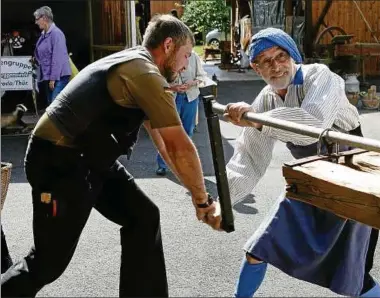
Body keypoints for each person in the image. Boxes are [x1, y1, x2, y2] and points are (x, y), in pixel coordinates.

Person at [1, 14, 221, 297]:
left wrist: (198, 198)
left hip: (91, 159)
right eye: (186, 55)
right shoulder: (145, 73)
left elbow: (165, 147)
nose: (184, 66)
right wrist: (203, 200)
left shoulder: (137, 65)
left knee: (143, 217)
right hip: (59, 161)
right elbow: (179, 145)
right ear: (168, 45)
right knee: (46, 264)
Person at [223, 28, 380, 297]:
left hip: (352, 176)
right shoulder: (266, 99)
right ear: (256, 67)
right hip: (309, 179)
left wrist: (257, 119)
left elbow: (311, 123)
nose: (276, 66)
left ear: (293, 56)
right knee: (258, 247)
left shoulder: (320, 77)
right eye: (266, 60)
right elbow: (249, 157)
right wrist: (220, 204)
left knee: (353, 274)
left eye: (281, 56)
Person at [156, 50, 208, 175]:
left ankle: (183, 164)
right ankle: (163, 164)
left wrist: (192, 83)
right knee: (169, 131)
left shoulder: (194, 56)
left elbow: (202, 77)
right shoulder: (166, 56)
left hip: (191, 97)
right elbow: (158, 82)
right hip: (171, 97)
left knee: (187, 131)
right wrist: (173, 87)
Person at [33, 6, 71, 105]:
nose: (35, 22)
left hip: (59, 76)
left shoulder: (56, 34)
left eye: (37, 19)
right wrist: (35, 60)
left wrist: (53, 79)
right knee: (51, 105)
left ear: (44, 18)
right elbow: (42, 53)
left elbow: (57, 58)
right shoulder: (44, 34)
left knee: (55, 105)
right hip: (49, 75)